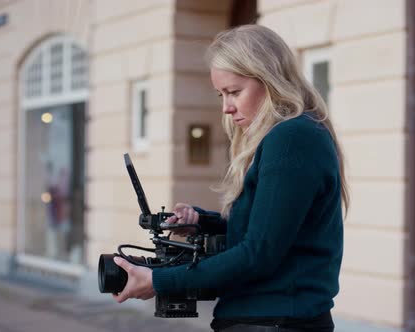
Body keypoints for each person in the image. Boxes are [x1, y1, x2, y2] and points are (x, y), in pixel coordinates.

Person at [111, 24, 349, 332]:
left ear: (270, 79)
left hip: (274, 323)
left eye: (235, 92)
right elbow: (268, 234)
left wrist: (160, 280)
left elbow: (258, 254)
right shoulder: (289, 136)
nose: (226, 107)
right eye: (221, 94)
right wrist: (201, 222)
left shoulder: (291, 137)